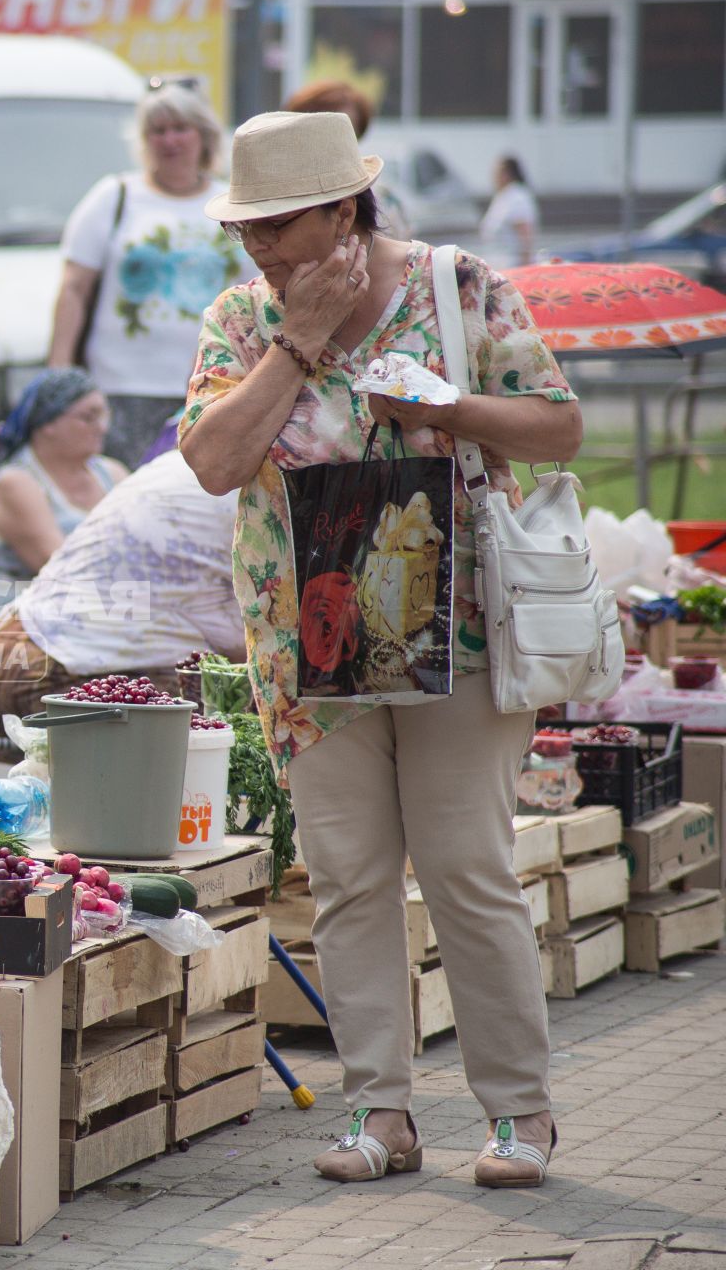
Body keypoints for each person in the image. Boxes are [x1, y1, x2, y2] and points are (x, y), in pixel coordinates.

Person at [179, 111, 581, 1187]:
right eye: (246, 228)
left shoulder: (456, 286)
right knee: (350, 877)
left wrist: (449, 405)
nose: (260, 248)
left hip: (456, 628)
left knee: (467, 867)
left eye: (279, 225)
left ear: (343, 208)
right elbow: (214, 462)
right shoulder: (238, 319)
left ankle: (518, 1114)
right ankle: (380, 1110)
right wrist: (295, 343)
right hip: (309, 641)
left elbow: (559, 425)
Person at [0, 448, 243, 755]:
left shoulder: (179, 463)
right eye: (86, 416)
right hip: (39, 676)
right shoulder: (248, 490)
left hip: (7, 658)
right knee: (230, 709)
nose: (99, 426)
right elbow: (246, 645)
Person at [46, 81, 248, 468]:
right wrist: (60, 374)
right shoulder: (114, 196)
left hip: (211, 387)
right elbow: (74, 287)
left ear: (203, 136)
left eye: (180, 128)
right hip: (117, 387)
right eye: (158, 131)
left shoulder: (230, 203)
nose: (170, 140)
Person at [0, 368, 127, 625]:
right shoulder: (16, 483)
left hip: (101, 613)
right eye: (88, 418)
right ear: (47, 424)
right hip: (28, 631)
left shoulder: (112, 473)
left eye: (103, 416)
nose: (102, 428)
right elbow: (62, 569)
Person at [283, 80, 413, 238]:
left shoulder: (380, 200)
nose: (332, 143)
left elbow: (397, 254)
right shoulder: (267, 191)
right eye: (322, 130)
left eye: (346, 134)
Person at [481, 155, 539, 268]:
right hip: (499, 264)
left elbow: (525, 234)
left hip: (514, 265)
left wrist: (525, 267)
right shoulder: (503, 196)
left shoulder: (517, 196)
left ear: (506, 174)